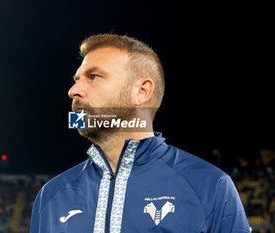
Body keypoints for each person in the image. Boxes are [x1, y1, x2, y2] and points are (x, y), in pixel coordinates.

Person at [30, 34, 251, 233]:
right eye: (76, 80)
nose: (73, 90)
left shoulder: (210, 186)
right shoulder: (51, 197)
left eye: (94, 76)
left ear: (141, 91)